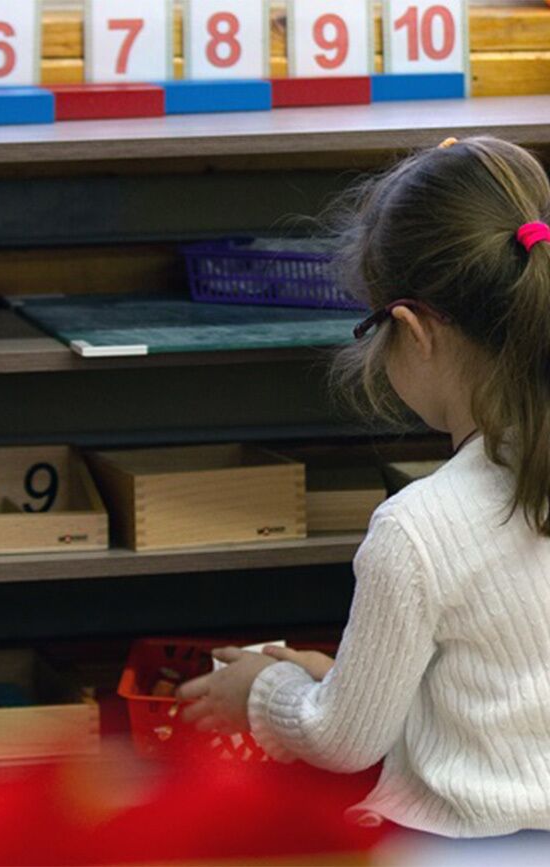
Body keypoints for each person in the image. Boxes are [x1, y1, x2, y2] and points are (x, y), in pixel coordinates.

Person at [177, 136, 550, 837]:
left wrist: (264, 689)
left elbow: (344, 740)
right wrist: (341, 676)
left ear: (412, 328)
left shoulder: (419, 527)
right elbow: (510, 691)